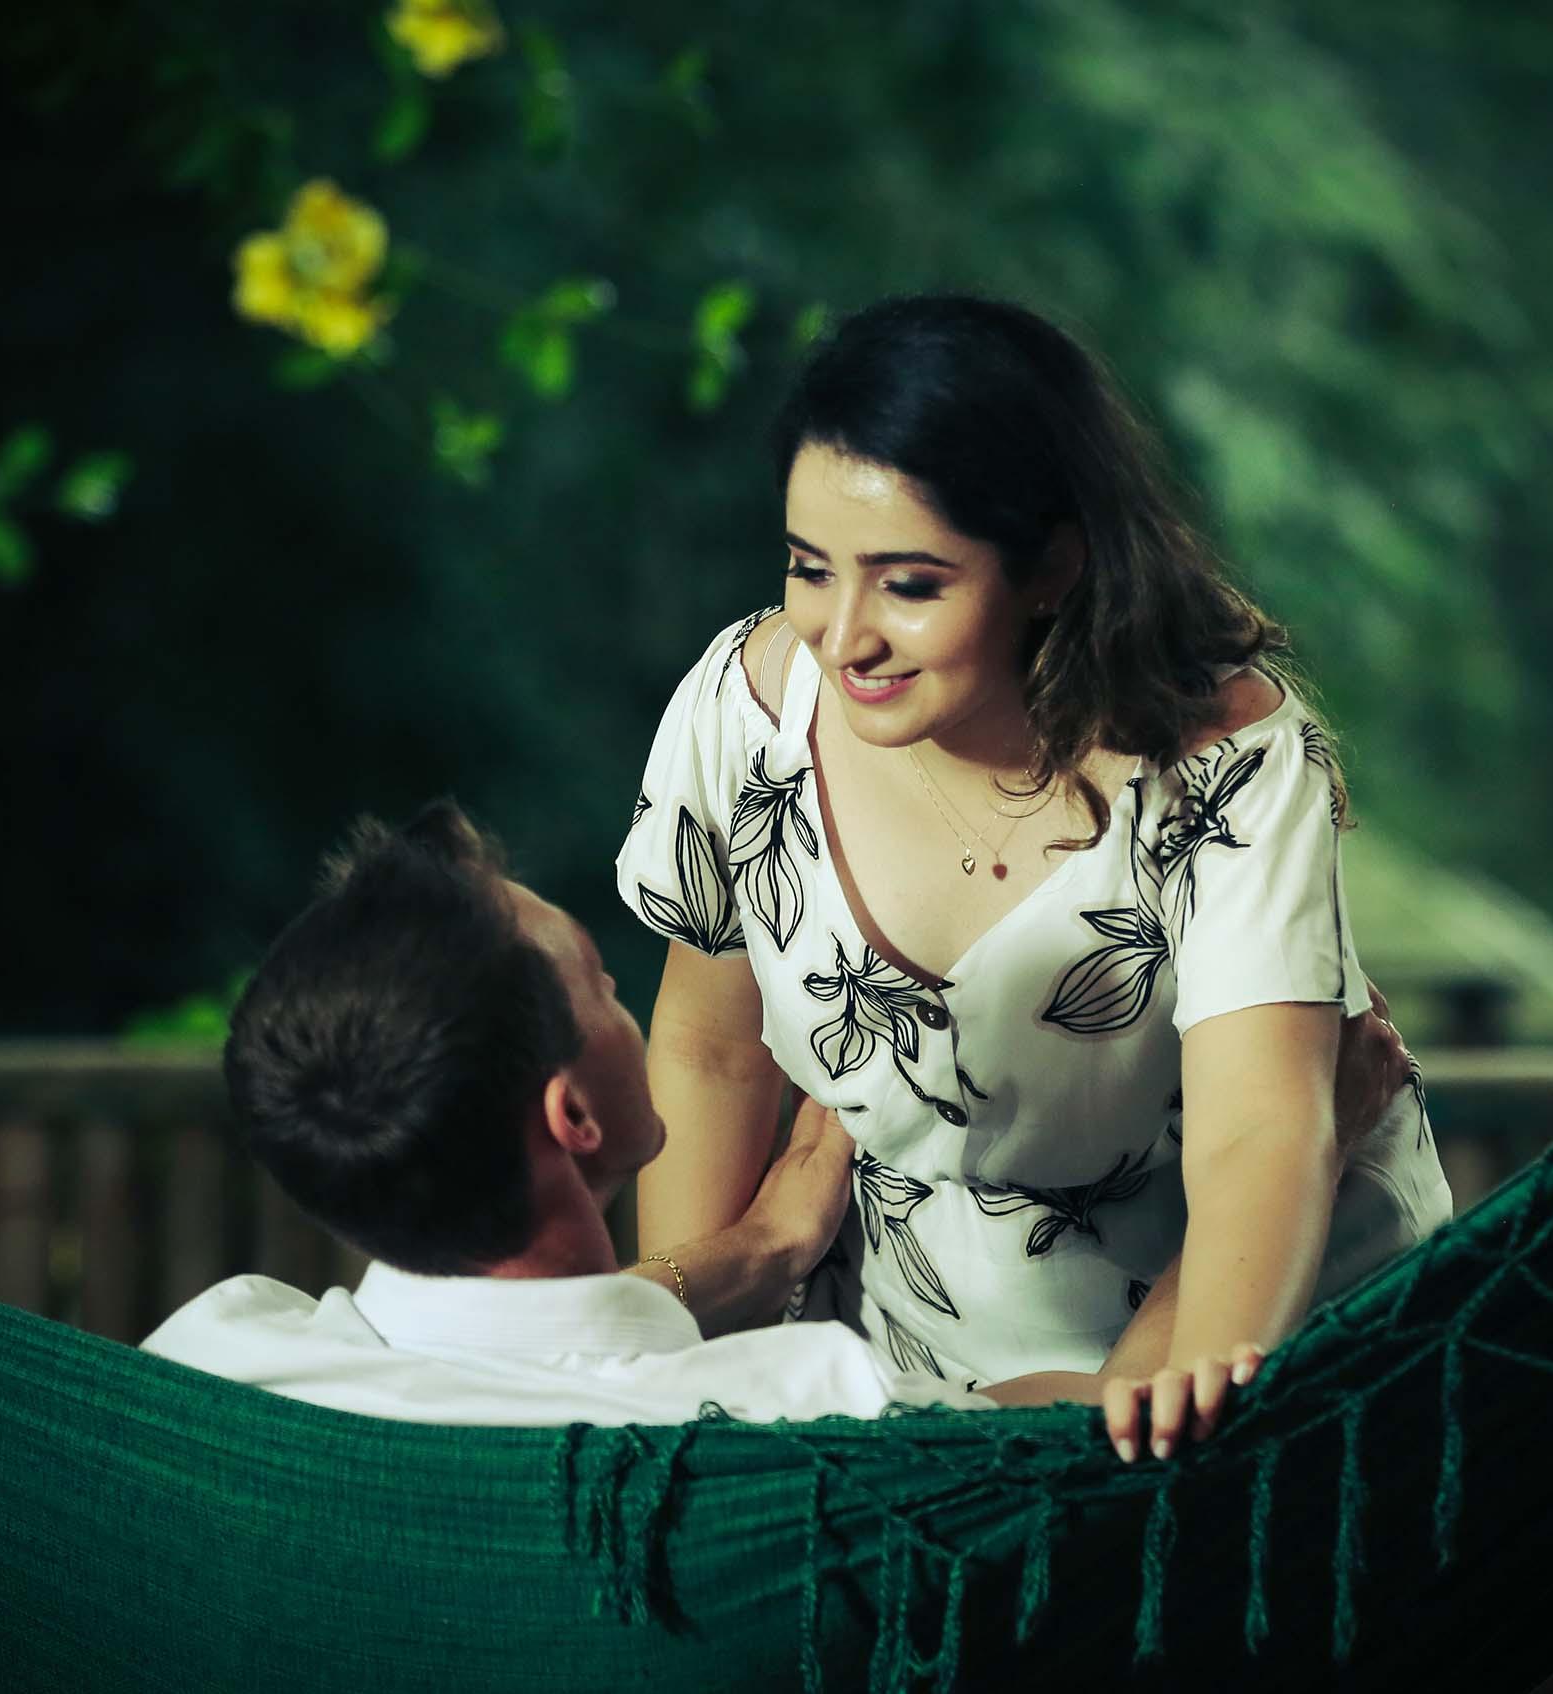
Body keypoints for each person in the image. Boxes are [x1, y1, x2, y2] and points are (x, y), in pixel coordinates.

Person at [615, 293, 1454, 1406]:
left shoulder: (1224, 766)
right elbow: (711, 1050)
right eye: (811, 567)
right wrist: (692, 1394)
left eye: (909, 584)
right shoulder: (748, 713)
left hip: (1255, 1314)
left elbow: (1259, 1131)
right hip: (910, 1345)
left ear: (1051, 566)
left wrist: (1180, 1416)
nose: (844, 635)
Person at [141, 797, 1284, 1456]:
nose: (628, 1000)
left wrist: (763, 1249)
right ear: (572, 1117)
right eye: (599, 982)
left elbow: (517, 1349)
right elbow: (1109, 1445)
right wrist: (1280, 1141)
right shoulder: (791, 1416)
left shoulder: (209, 1370)